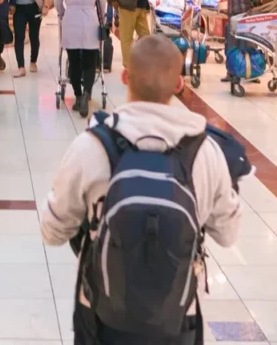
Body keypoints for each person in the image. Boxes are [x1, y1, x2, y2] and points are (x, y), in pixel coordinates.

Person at [40, 36, 242, 344]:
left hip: (100, 315)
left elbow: (52, 232)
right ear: (179, 84)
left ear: (125, 77)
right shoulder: (205, 152)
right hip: (177, 317)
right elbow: (227, 234)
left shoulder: (91, 146)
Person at [56, 0, 107, 117]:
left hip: (71, 19)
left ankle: (78, 96)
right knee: (89, 62)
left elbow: (57, 1)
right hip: (91, 19)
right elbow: (102, 1)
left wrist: (63, 14)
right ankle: (87, 93)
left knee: (73, 61)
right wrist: (101, 16)